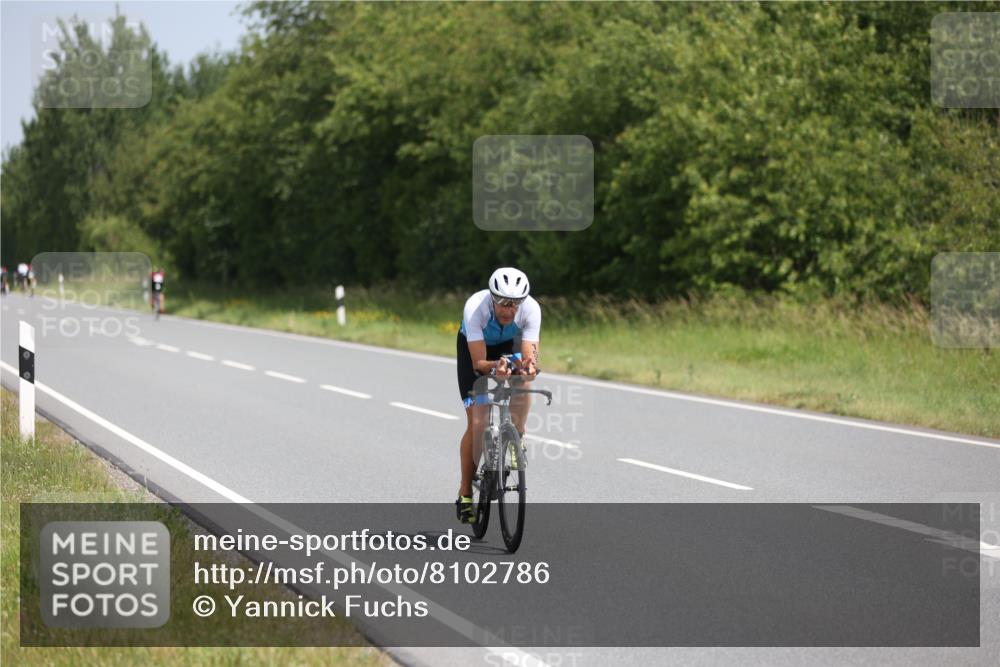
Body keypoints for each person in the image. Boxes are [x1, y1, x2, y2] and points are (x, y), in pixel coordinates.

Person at [455, 267, 541, 524]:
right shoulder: (475, 307)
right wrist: (497, 367)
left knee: (524, 377)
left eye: (515, 304)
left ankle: (519, 435)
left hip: (508, 343)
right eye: (503, 303)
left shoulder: (532, 310)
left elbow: (530, 360)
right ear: (493, 298)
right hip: (477, 351)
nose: (509, 310)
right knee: (478, 424)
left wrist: (526, 368)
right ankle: (466, 493)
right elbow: (479, 363)